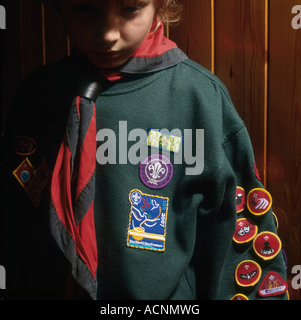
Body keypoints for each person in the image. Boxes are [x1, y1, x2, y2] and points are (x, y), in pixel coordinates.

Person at [1, 0, 288, 300]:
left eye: (130, 8)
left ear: (160, 5)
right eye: (86, 9)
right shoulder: (36, 96)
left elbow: (236, 239)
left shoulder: (199, 98)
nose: (107, 34)